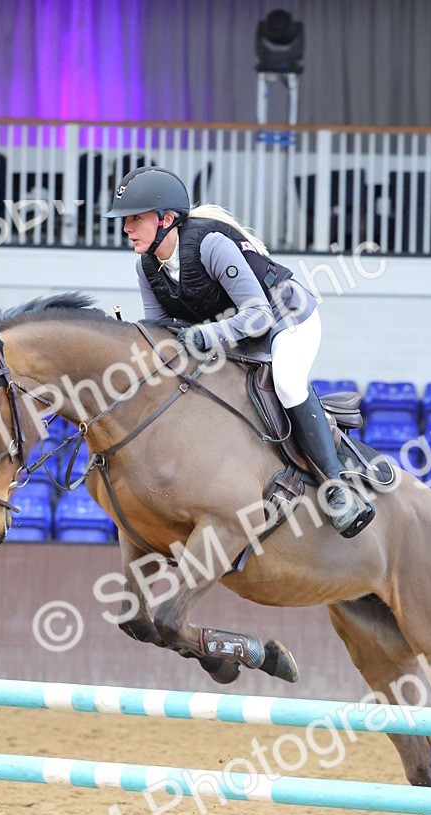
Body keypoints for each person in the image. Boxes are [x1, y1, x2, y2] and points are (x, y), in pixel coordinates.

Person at [107, 166, 374, 538]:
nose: (126, 229)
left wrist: (204, 335)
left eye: (135, 219)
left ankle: (336, 487)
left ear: (166, 219)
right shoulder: (147, 267)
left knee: (288, 383)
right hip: (236, 334)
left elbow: (259, 316)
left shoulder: (211, 245)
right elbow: (162, 332)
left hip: (286, 319)